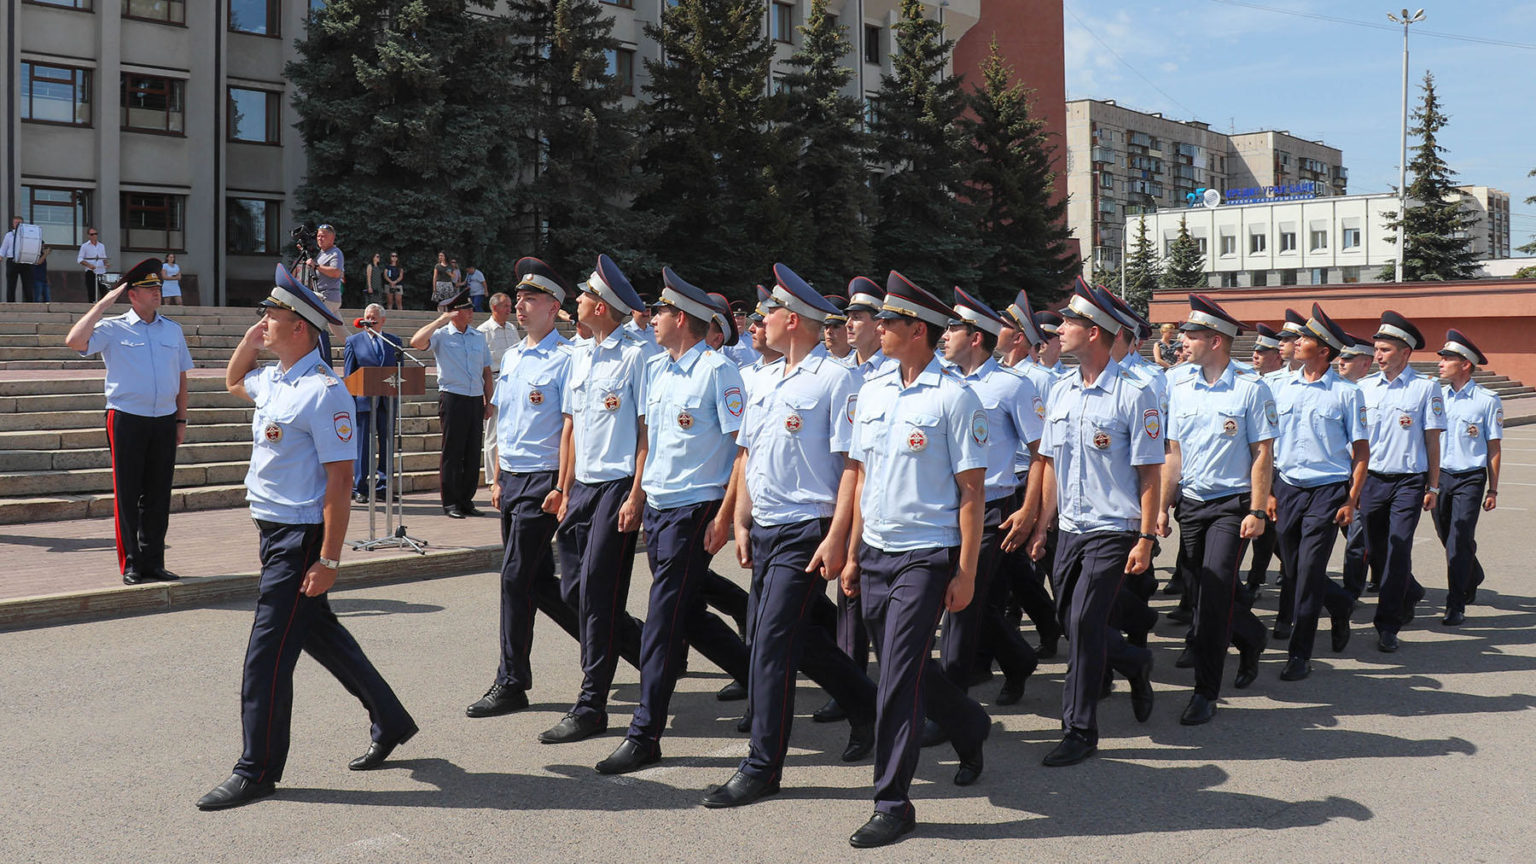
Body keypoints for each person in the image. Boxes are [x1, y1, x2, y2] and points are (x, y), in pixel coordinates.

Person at [195, 264, 417, 812]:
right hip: (270, 532)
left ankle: (257, 769)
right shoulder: (274, 380)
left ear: (300, 328)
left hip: (299, 541)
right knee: (323, 637)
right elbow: (230, 381)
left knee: (265, 658)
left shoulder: (324, 393)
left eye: (271, 317)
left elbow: (340, 483)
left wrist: (329, 559)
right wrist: (248, 343)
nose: (263, 323)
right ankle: (390, 719)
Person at [701, 264, 877, 809]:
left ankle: (762, 766)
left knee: (770, 643)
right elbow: (751, 455)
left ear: (794, 321)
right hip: (770, 525)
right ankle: (867, 705)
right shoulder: (766, 377)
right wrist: (741, 520)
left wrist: (840, 540)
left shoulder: (837, 379)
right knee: (793, 638)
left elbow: (853, 466)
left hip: (808, 526)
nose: (760, 321)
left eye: (768, 313)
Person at [836, 271, 989, 849]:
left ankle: (893, 802)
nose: (876, 328)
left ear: (916, 330)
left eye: (887, 322)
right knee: (908, 668)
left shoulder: (955, 397)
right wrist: (849, 551)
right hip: (875, 549)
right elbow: (860, 474)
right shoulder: (872, 391)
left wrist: (967, 570)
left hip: (926, 555)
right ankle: (969, 723)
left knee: (897, 677)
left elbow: (971, 491)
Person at [594, 267, 750, 777]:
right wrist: (638, 498)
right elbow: (650, 444)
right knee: (686, 609)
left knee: (662, 621)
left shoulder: (719, 371)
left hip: (695, 510)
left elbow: (740, 451)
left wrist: (726, 516)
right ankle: (760, 674)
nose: (652, 318)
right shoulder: (658, 370)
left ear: (681, 317)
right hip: (660, 508)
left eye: (660, 311)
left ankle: (645, 734)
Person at [1005, 281, 1161, 769]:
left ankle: (1079, 728)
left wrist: (1147, 536)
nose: (1060, 329)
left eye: (1070, 323)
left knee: (1084, 621)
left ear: (1094, 333)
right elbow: (1049, 463)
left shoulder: (1136, 393)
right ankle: (1134, 661)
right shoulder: (1061, 389)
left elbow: (1150, 470)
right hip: (1069, 527)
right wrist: (1039, 525)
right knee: (1075, 626)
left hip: (1113, 528)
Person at [537, 254, 654, 744]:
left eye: (584, 295)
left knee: (599, 596)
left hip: (616, 487)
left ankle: (592, 705)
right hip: (582, 488)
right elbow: (571, 427)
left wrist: (636, 495)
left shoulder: (637, 356)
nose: (577, 301)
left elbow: (648, 433)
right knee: (573, 592)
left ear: (602, 307)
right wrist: (562, 488)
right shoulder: (579, 355)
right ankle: (655, 653)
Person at [462, 257, 575, 719]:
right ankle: (626, 642)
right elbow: (504, 421)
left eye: (532, 299)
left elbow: (573, 429)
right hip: (513, 478)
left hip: (545, 479)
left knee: (513, 576)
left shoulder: (566, 360)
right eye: (519, 297)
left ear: (554, 308)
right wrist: (496, 476)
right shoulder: (511, 356)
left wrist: (564, 486)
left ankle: (511, 681)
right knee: (538, 583)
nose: (521, 305)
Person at [1157, 295, 1274, 725]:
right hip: (1191, 502)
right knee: (1199, 589)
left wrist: (1257, 511)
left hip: (1231, 506)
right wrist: (1163, 506)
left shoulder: (1250, 388)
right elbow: (1174, 452)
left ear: (1216, 340)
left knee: (1212, 596)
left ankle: (1206, 691)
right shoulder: (1179, 385)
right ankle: (1252, 635)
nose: (1182, 341)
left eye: (1191, 335)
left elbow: (1262, 453)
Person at [935, 287, 1043, 712]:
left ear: (975, 336)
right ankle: (1018, 658)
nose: (944, 335)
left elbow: (1041, 455)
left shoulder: (1012, 386)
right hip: (947, 505)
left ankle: (950, 708)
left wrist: (1030, 511)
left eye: (952, 328)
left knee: (960, 607)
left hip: (994, 505)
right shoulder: (941, 380)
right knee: (967, 598)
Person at [63, 258, 192, 584]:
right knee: (128, 493)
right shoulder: (112, 327)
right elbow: (74, 341)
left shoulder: (172, 330)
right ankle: (132, 563)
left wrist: (181, 419)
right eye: (149, 288)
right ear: (131, 294)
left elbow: (181, 376)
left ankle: (154, 561)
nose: (157, 293)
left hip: (164, 419)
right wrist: (105, 302)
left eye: (158, 287)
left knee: (158, 494)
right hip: (126, 418)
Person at [1269, 304, 1366, 681]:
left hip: (1327, 491)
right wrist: (1269, 493)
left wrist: (1350, 499)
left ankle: (1299, 653)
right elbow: (1270, 445)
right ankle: (1340, 604)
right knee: (1293, 569)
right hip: (1287, 486)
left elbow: (1360, 452)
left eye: (1305, 339)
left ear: (1324, 350)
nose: (1296, 342)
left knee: (1309, 573)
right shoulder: (1278, 387)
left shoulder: (1346, 394)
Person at [1358, 312, 1445, 652]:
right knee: (1376, 551)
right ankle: (1409, 590)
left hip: (1408, 482)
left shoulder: (1425, 388)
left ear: (1405, 352)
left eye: (1385, 350)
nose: (1378, 356)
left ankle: (1387, 624)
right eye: (1377, 349)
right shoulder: (1363, 389)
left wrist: (1433, 486)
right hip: (1372, 480)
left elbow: (1433, 441)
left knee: (1397, 548)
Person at [1433, 329, 1502, 627]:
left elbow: (1493, 446)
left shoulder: (1487, 399)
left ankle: (1455, 603)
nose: (1440, 362)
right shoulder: (1436, 396)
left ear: (1465, 364)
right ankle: (1472, 573)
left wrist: (1493, 489)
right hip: (1440, 477)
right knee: (1445, 535)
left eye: (1447, 358)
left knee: (1458, 540)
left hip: (1470, 479)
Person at [410, 287, 493, 519]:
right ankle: (451, 503)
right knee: (453, 453)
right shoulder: (441, 335)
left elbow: (486, 372)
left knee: (472, 451)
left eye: (470, 308)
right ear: (455, 312)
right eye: (466, 309)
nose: (471, 312)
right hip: (453, 397)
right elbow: (416, 341)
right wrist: (440, 320)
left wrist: (489, 401)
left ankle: (467, 500)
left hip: (475, 398)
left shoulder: (478, 336)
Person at [341, 304, 404, 502]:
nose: (369, 320)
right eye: (367, 316)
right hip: (363, 402)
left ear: (382, 320)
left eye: (374, 318)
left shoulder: (394, 342)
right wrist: (349, 403)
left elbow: (400, 374)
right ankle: (360, 487)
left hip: (387, 401)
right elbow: (349, 375)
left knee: (387, 444)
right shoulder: (353, 341)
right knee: (363, 446)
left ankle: (384, 487)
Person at [477, 291, 522, 486]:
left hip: (513, 382)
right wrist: (486, 397)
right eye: (506, 306)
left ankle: (508, 472)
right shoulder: (483, 331)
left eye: (510, 306)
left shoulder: (512, 328)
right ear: (494, 308)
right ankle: (491, 480)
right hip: (493, 381)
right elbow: (480, 367)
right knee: (493, 433)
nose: (510, 310)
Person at [2, 216, 35, 302]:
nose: (17, 224)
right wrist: (1, 256)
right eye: (16, 223)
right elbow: (3, 248)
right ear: (13, 224)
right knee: (11, 284)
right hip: (12, 261)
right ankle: (10, 303)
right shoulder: (9, 235)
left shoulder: (28, 235)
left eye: (19, 223)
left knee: (27, 284)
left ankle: (29, 303)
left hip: (25, 260)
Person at [77, 226, 109, 294]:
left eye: (96, 234)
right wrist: (89, 265)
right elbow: (79, 259)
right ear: (88, 236)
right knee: (91, 292)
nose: (94, 236)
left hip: (101, 272)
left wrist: (106, 264)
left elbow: (104, 257)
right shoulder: (84, 246)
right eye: (92, 234)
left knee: (104, 292)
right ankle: (92, 304)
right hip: (90, 272)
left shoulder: (101, 246)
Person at [822, 295, 853, 362]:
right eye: (826, 327)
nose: (828, 331)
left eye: (835, 326)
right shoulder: (817, 360)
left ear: (848, 328)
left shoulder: (861, 361)